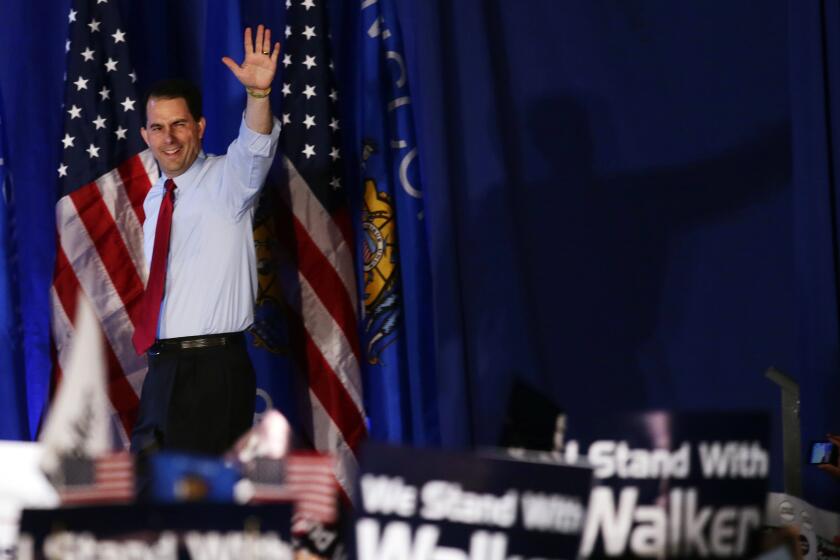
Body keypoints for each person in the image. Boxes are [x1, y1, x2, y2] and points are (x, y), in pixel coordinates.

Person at [130, 25, 281, 457]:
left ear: (199, 126)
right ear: (145, 136)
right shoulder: (157, 198)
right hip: (164, 367)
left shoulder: (229, 180)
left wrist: (257, 96)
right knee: (150, 497)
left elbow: (254, 146)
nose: (169, 138)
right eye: (157, 128)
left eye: (179, 124)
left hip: (213, 370)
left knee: (201, 507)